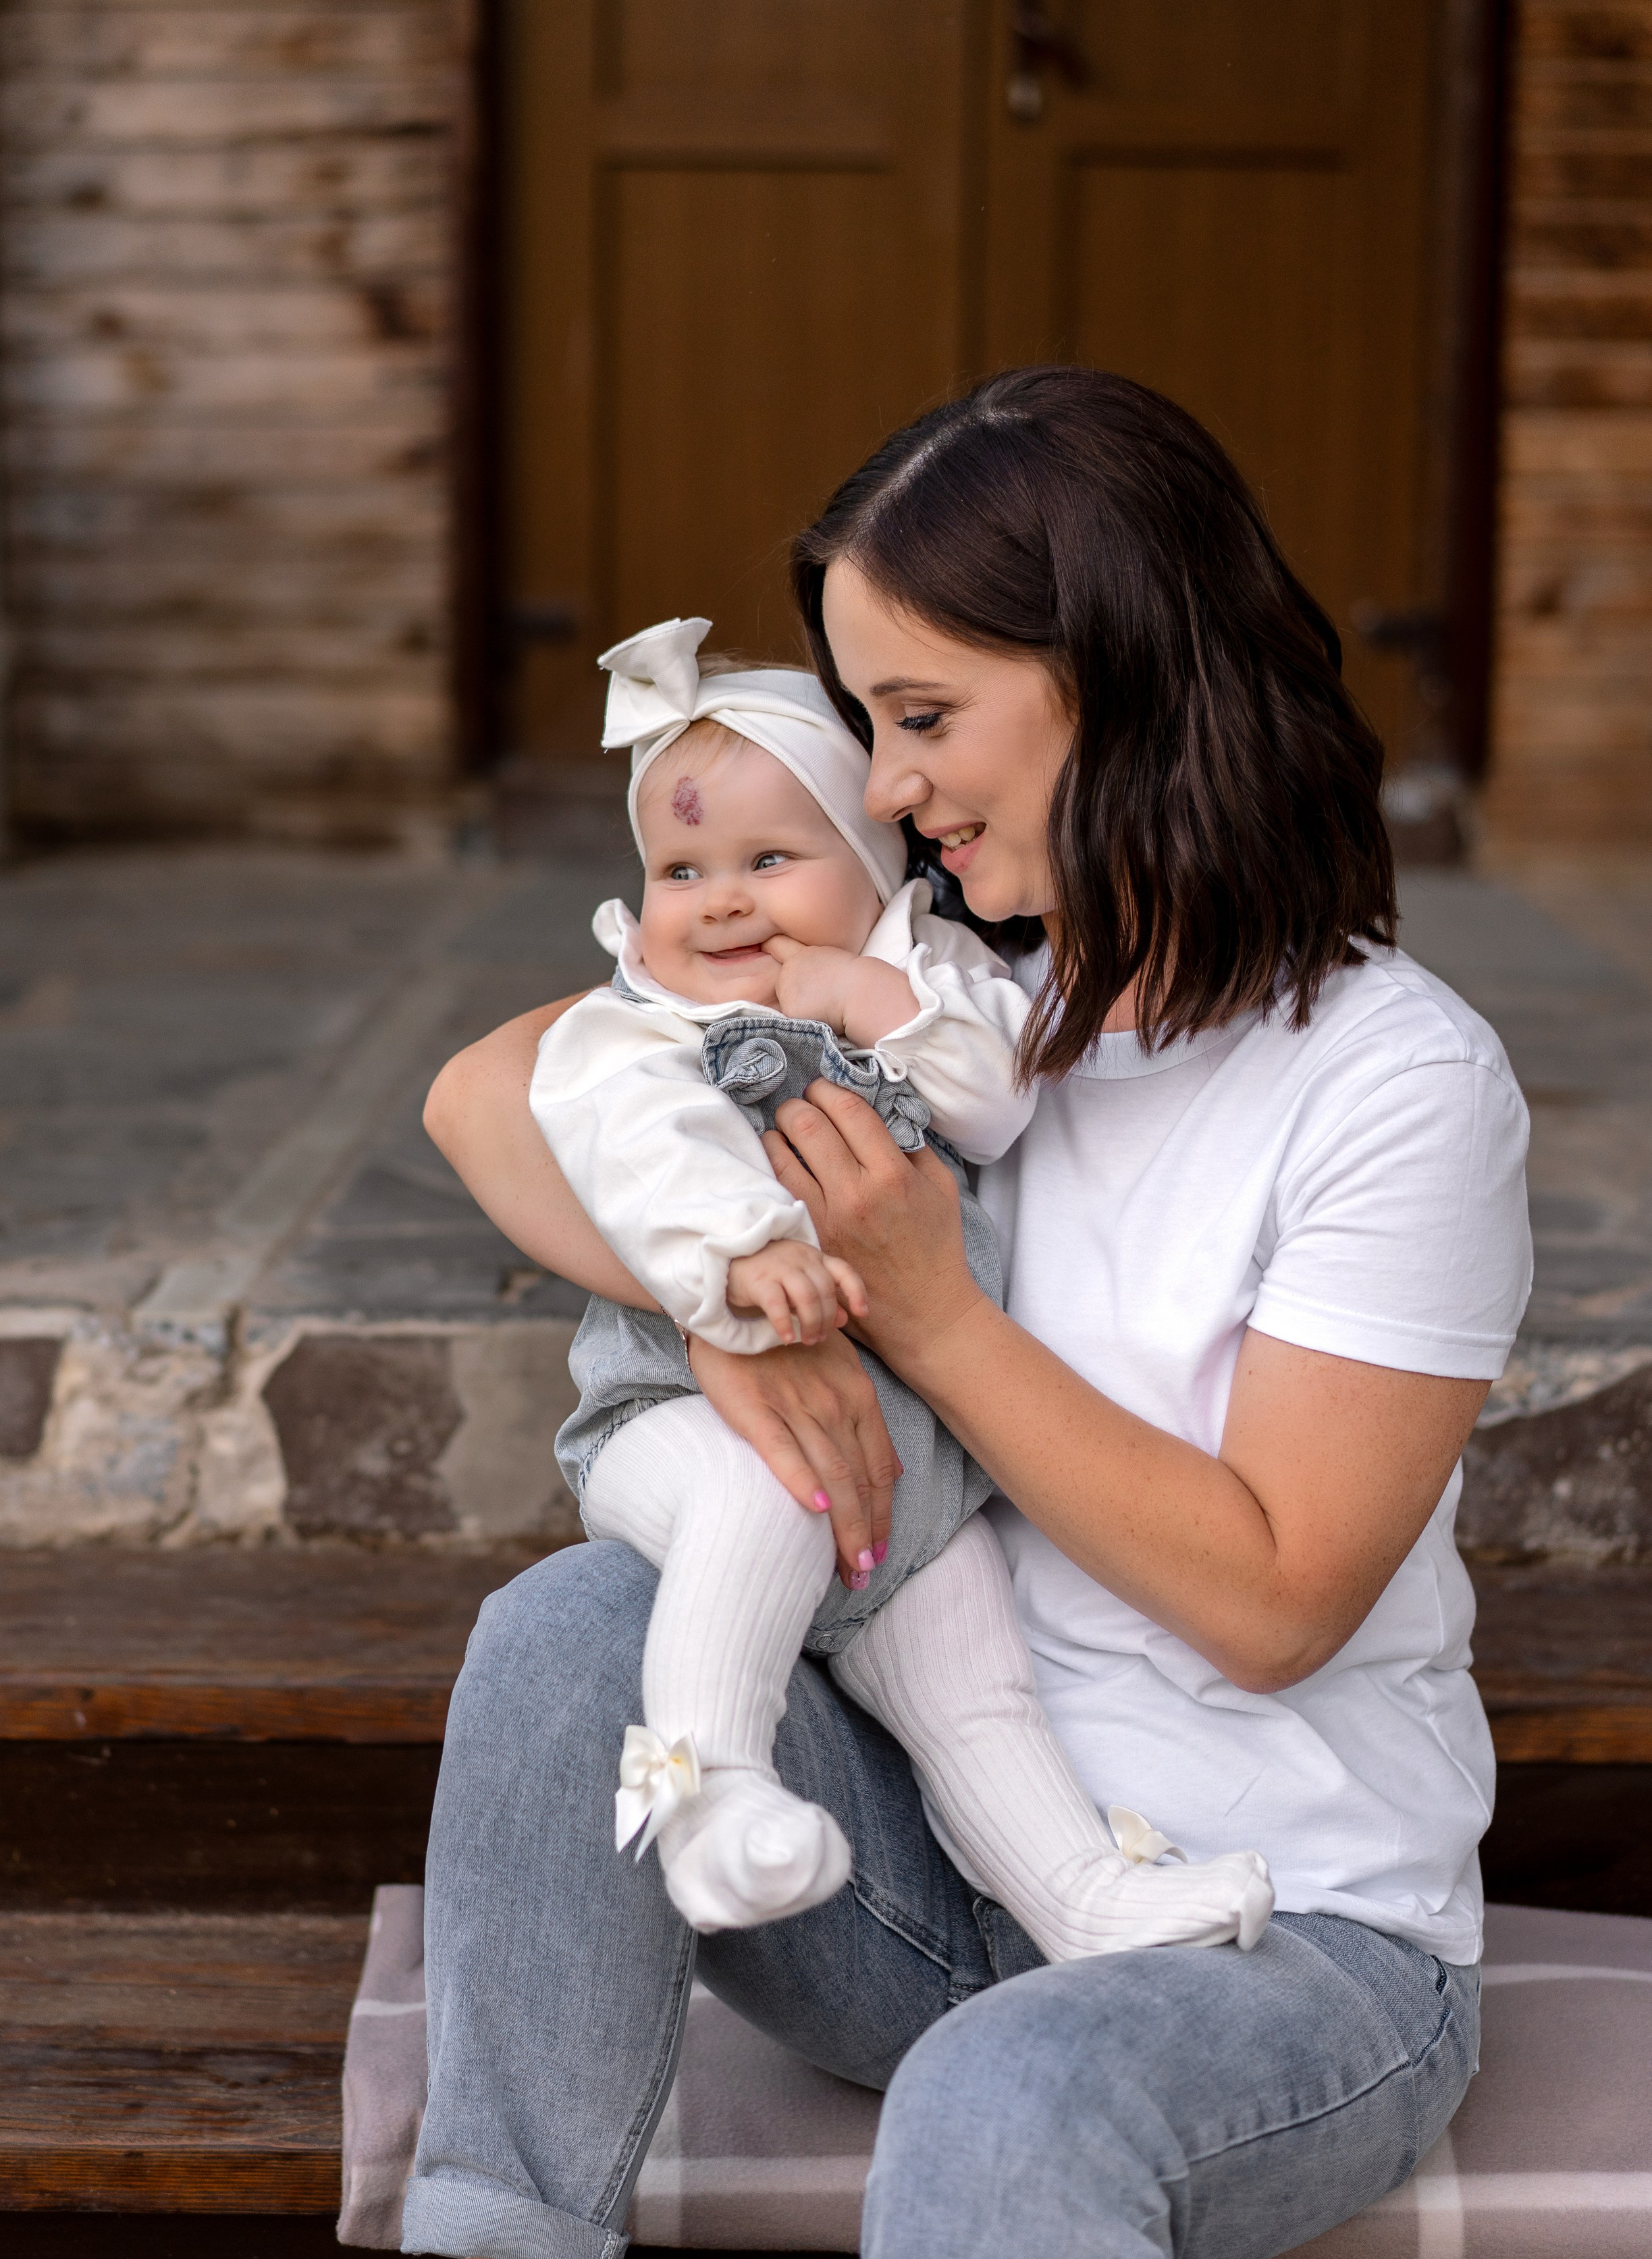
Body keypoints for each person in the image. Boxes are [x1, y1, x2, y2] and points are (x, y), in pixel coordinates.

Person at [407, 366, 1532, 2259]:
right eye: (870, 729)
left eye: (923, 720)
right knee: (577, 1623)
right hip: (929, 1877)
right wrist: (734, 1309)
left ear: (1122, 671)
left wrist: (924, 1317)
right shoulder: (957, 1003)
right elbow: (491, 1093)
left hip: (1294, 1947)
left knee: (1010, 2101)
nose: (891, 785)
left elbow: (1277, 1601)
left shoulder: (1394, 1084)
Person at [532, 610, 1272, 1952]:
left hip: (906, 1468)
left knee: (972, 1677)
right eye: (679, 867)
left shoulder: (936, 980)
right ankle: (710, 1798)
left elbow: (992, 1103)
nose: (720, 900)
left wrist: (862, 995)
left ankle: (1082, 1899)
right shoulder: (636, 1026)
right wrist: (739, 1265)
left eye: (770, 857)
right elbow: (633, 1147)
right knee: (768, 1493)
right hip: (678, 1424)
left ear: (878, 872)